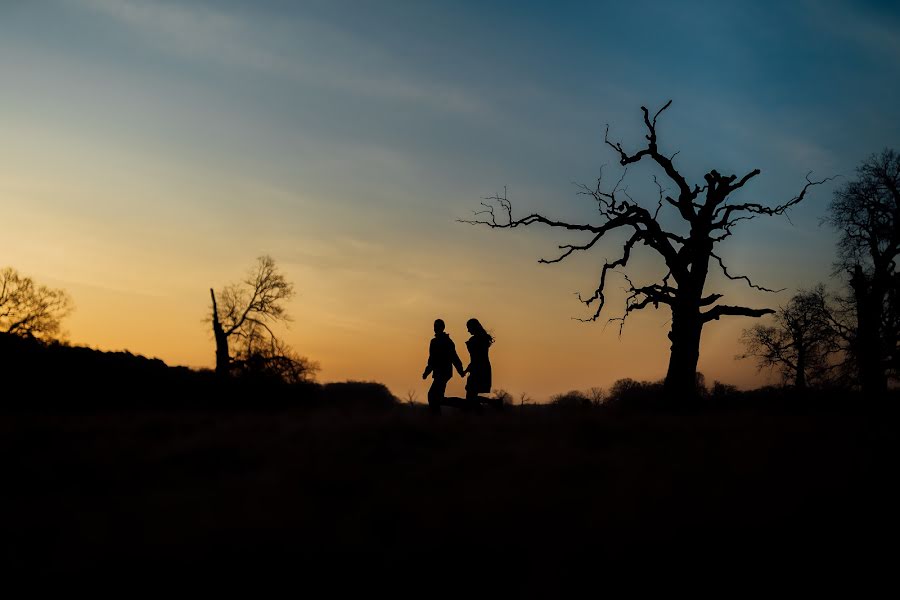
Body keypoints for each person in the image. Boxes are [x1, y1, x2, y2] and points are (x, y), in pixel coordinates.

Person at [422, 318, 464, 415]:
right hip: (437, 373)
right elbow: (431, 359)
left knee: (433, 396)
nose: (435, 328)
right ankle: (437, 419)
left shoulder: (448, 342)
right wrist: (427, 372)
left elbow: (454, 357)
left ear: (442, 327)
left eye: (437, 326)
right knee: (436, 398)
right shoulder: (433, 342)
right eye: (435, 326)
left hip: (444, 373)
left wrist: (460, 370)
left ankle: (464, 405)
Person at [462, 318, 501, 409]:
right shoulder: (481, 339)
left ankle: (494, 404)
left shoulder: (477, 340)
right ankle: (493, 404)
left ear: (473, 327)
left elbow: (476, 358)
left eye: (469, 328)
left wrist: (467, 370)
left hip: (479, 369)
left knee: (470, 397)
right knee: (471, 397)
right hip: (481, 368)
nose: (468, 330)